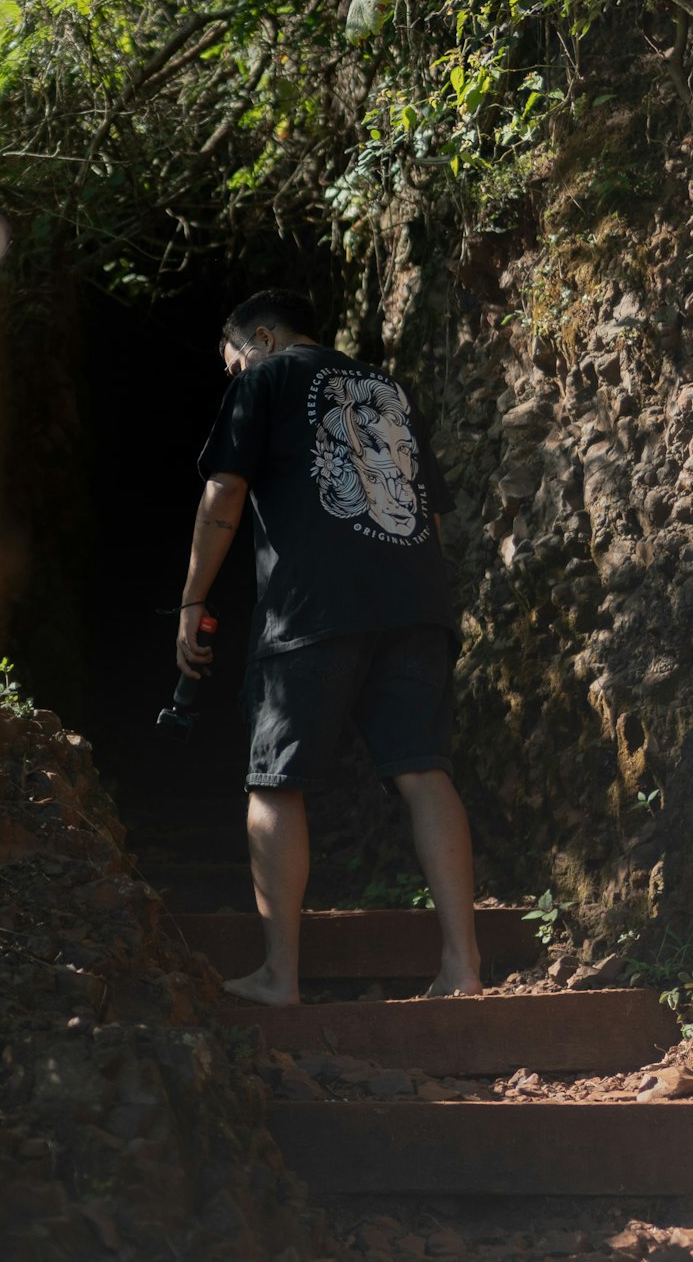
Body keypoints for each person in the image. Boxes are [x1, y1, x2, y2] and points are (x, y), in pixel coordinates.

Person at [176, 288, 482, 1007]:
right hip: (417, 603)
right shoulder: (385, 386)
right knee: (424, 773)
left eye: (231, 362)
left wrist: (192, 598)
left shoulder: (265, 378)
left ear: (261, 336)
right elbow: (429, 515)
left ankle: (281, 975)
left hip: (314, 605)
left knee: (275, 779)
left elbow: (224, 493)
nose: (232, 376)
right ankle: (463, 969)